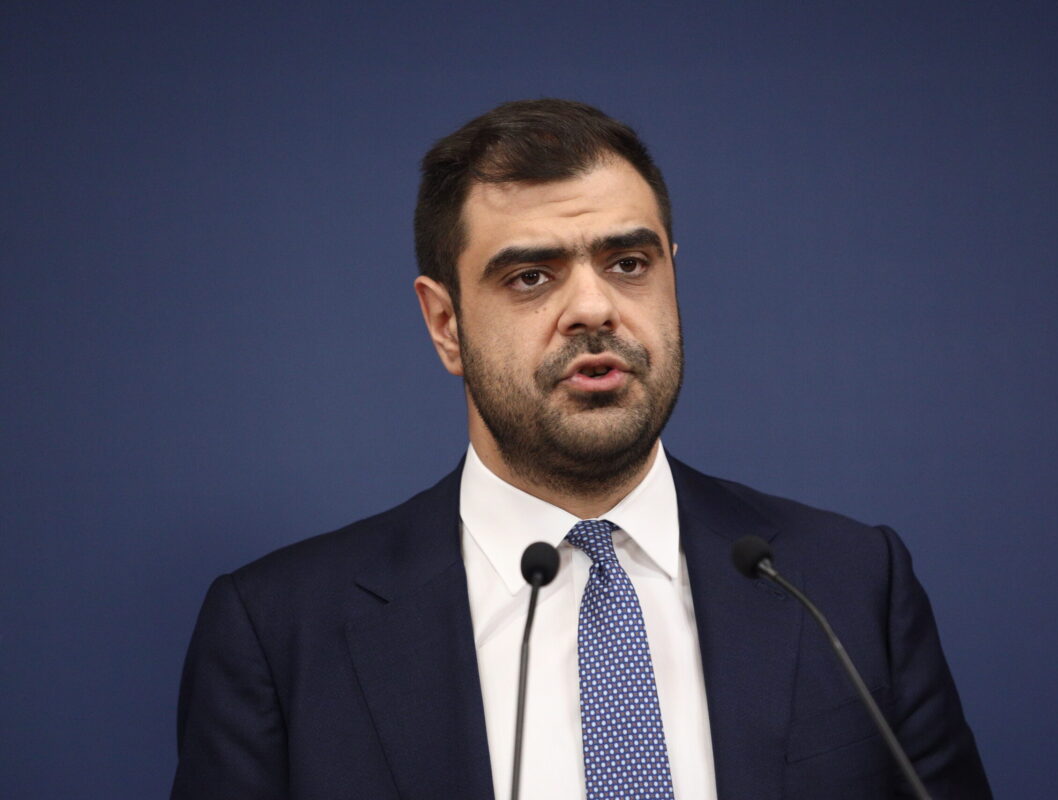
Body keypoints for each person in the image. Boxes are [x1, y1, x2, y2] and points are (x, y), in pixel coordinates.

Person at [171, 99, 992, 799]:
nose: (594, 308)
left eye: (628, 263)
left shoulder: (849, 585)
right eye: (531, 276)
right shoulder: (280, 633)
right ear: (446, 324)